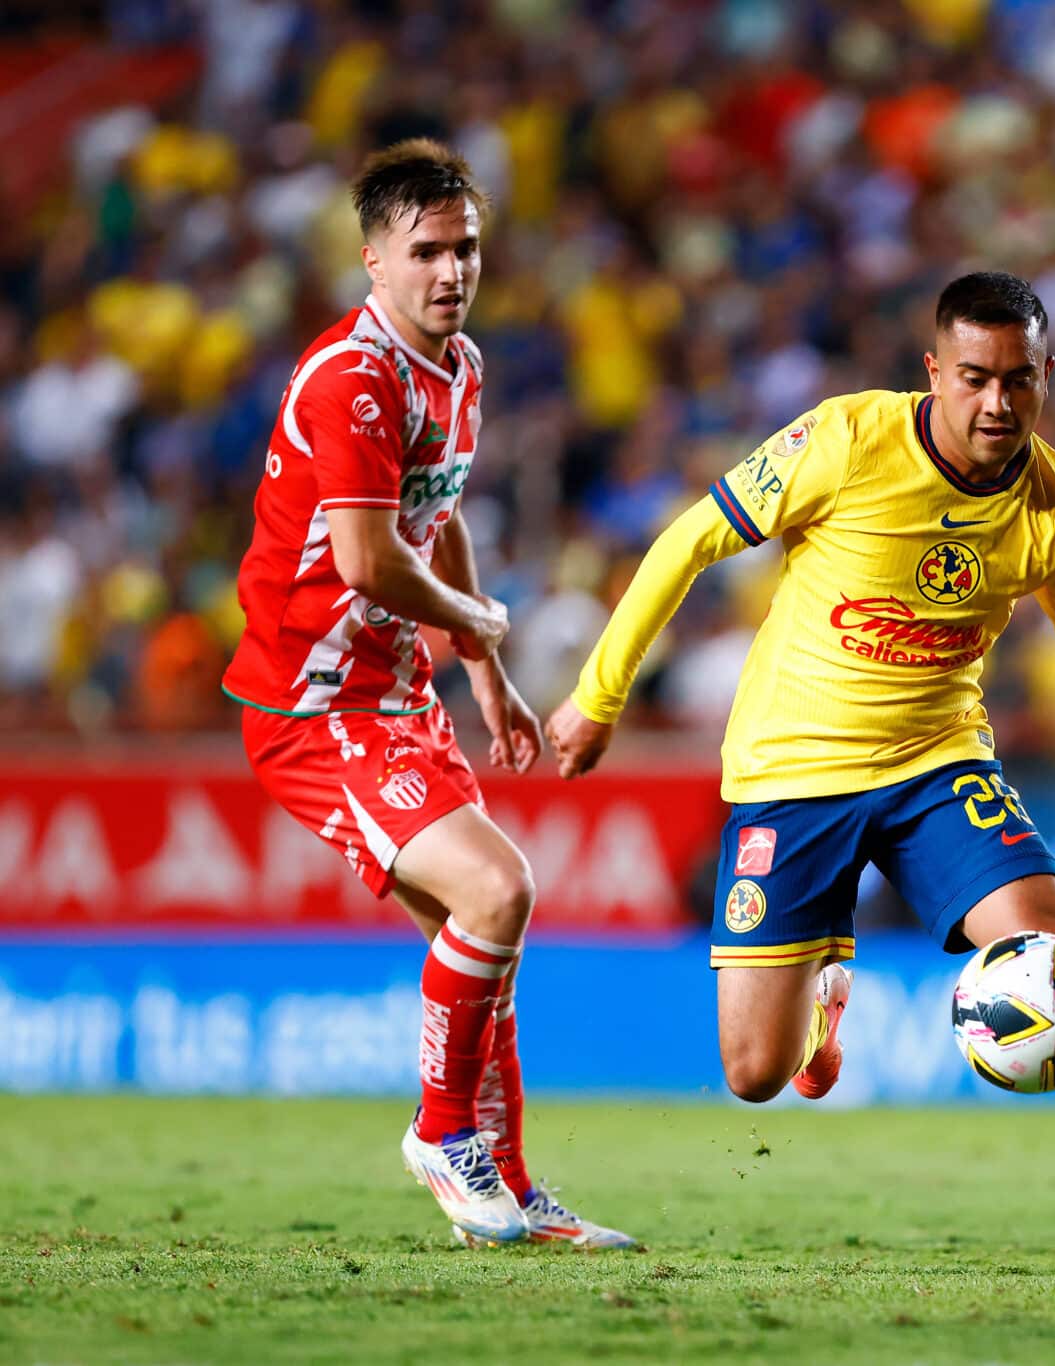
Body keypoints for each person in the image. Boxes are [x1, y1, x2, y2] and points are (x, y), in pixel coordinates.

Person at [546, 271, 1055, 1284]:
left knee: (1047, 950)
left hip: (938, 761)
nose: (997, 405)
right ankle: (823, 1000)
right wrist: (597, 695)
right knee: (755, 1073)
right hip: (793, 767)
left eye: (1019, 381)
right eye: (973, 378)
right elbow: (688, 540)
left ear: (1046, 376)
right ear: (933, 371)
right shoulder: (842, 440)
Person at [222, 139, 630, 1249]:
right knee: (498, 895)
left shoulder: (459, 369)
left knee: (479, 944)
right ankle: (442, 1134)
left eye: (467, 249)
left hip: (394, 695)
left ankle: (506, 1186)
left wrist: (483, 674)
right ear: (372, 261)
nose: (451, 271)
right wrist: (480, 618)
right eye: (427, 252)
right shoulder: (354, 375)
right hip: (314, 705)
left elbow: (433, 511)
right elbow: (364, 557)